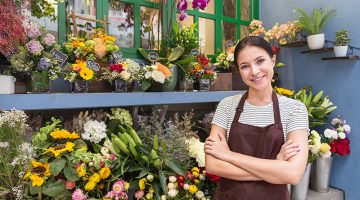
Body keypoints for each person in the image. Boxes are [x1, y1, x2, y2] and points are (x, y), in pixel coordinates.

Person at [204, 36, 309, 200]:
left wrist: (229, 156)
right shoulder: (226, 106)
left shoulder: (294, 109)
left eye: (260, 61)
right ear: (239, 70)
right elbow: (213, 165)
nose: (254, 71)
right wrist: (275, 167)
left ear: (272, 61)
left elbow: (293, 174)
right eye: (245, 66)